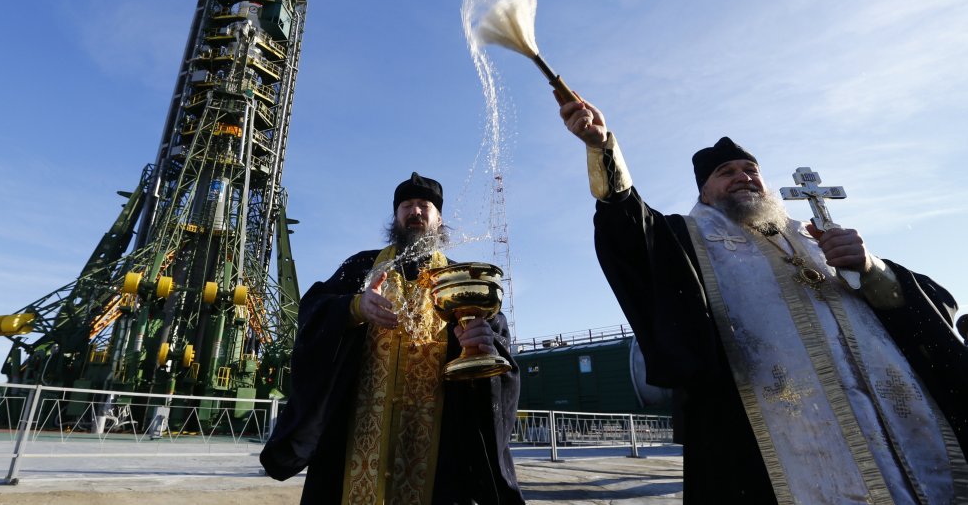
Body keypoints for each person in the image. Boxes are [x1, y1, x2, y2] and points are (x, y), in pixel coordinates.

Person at [557, 95, 968, 504]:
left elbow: (929, 307)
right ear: (704, 191)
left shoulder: (815, 238)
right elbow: (629, 230)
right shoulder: (688, 239)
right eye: (726, 172)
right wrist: (602, 147)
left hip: (902, 433)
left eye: (751, 169)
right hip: (772, 440)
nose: (743, 176)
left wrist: (871, 267)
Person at [260, 172, 525, 505]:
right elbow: (312, 312)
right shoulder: (360, 268)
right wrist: (353, 308)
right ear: (396, 216)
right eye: (406, 205)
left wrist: (483, 339)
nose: (414, 211)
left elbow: (499, 341)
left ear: (438, 218)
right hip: (353, 440)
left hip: (439, 447)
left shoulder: (462, 279)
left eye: (423, 205)